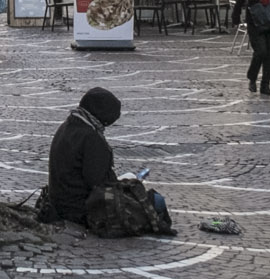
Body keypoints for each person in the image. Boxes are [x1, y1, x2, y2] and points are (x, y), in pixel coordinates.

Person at [40, 87, 173, 237]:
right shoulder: (91, 138)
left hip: (60, 201)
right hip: (81, 207)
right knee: (157, 200)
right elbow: (98, 183)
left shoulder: (68, 126)